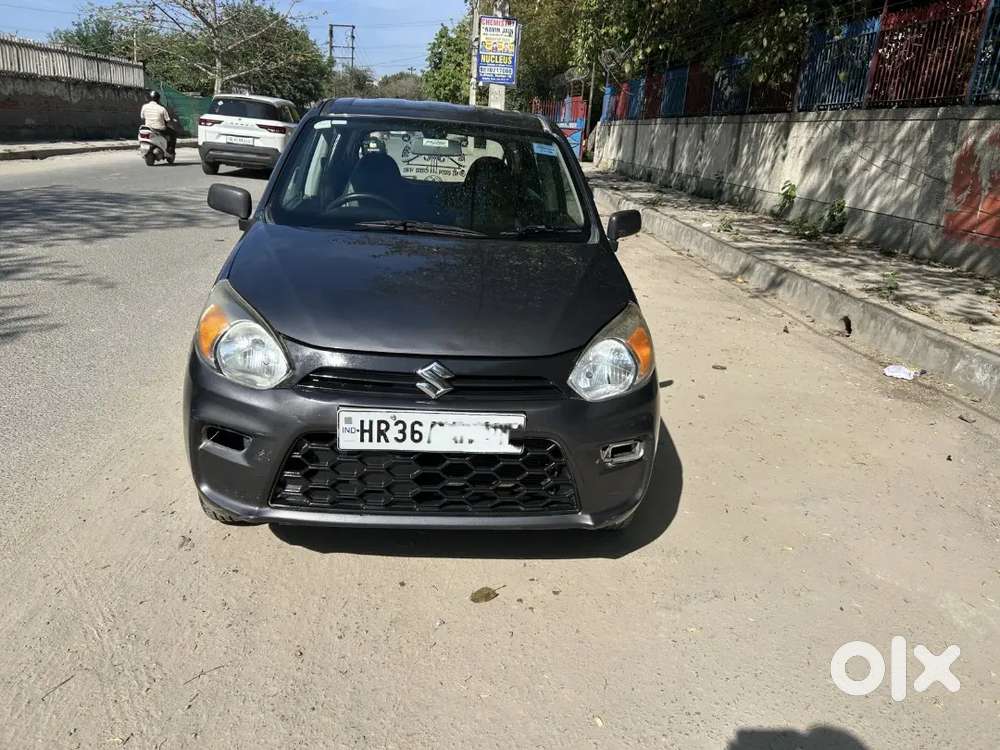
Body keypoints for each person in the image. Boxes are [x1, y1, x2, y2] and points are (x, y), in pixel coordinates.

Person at [140, 90, 176, 155]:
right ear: (158, 99)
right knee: (173, 133)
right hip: (160, 129)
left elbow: (142, 117)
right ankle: (171, 151)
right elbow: (167, 120)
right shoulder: (162, 108)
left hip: (148, 129)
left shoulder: (144, 107)